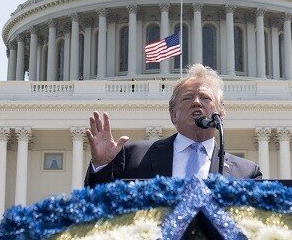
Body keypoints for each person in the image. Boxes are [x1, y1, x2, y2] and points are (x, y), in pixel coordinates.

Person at [84, 64, 262, 187]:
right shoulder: (133, 156)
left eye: (205, 98)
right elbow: (99, 207)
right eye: (187, 98)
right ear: (173, 114)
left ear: (221, 113)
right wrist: (101, 166)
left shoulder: (246, 173)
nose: (196, 102)